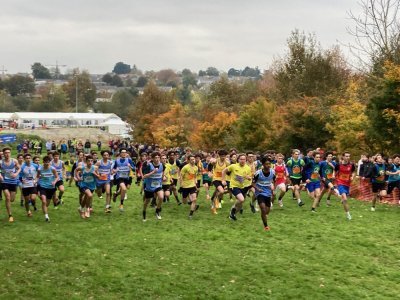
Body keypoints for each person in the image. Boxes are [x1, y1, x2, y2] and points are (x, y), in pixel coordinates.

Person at [223, 154, 252, 221]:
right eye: (241, 159)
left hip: (243, 187)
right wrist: (223, 180)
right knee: (241, 199)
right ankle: (233, 210)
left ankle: (232, 214)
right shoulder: (233, 166)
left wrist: (249, 178)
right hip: (234, 186)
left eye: (244, 159)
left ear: (246, 160)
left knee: (240, 205)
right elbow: (224, 171)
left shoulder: (248, 168)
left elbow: (249, 177)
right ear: (238, 160)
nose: (242, 160)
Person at [252, 156, 275, 231]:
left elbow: (274, 181)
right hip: (260, 192)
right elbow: (253, 183)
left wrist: (272, 187)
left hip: (268, 192)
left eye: (269, 164)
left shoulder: (273, 172)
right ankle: (266, 226)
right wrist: (258, 189)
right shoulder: (258, 173)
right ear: (263, 165)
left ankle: (264, 218)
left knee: (267, 211)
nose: (268, 165)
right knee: (263, 208)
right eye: (266, 164)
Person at [142, 152, 165, 221]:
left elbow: (162, 173)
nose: (157, 159)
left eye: (158, 157)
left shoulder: (162, 165)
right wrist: (153, 172)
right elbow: (144, 176)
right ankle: (144, 211)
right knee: (147, 202)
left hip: (158, 185)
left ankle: (157, 211)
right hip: (149, 187)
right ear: (152, 158)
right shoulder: (149, 166)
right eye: (155, 158)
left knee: (161, 197)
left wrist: (164, 177)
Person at [0, 147, 21, 222]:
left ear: (10, 153)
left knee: (12, 199)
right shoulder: (1, 162)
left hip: (13, 181)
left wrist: (16, 174)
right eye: (6, 153)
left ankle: (10, 200)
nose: (7, 154)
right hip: (4, 181)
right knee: (8, 197)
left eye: (8, 152)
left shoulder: (14, 161)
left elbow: (19, 168)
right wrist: (0, 176)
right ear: (3, 154)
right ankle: (10, 215)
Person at [37, 156, 59, 222]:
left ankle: (44, 209)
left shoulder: (53, 169)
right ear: (43, 162)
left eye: (48, 162)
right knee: (44, 201)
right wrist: (35, 180)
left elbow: (57, 177)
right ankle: (46, 216)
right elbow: (37, 176)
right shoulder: (40, 169)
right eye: (45, 162)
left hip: (51, 187)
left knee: (47, 204)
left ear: (50, 162)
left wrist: (54, 182)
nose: (47, 163)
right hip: (43, 186)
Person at [335, 151, 355, 220]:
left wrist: (352, 176)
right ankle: (348, 214)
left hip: (347, 183)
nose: (347, 157)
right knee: (345, 199)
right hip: (340, 182)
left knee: (344, 199)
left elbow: (353, 172)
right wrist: (333, 176)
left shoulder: (351, 165)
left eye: (348, 156)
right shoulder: (338, 165)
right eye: (346, 156)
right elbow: (335, 171)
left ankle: (341, 198)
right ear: (343, 157)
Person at [179, 155, 200, 219]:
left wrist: (195, 181)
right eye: (191, 159)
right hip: (185, 186)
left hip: (192, 185)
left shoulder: (196, 167)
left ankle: (190, 214)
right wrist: (181, 184)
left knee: (194, 199)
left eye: (194, 159)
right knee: (184, 202)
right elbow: (181, 176)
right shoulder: (185, 167)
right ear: (188, 160)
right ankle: (189, 202)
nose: (193, 160)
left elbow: (195, 176)